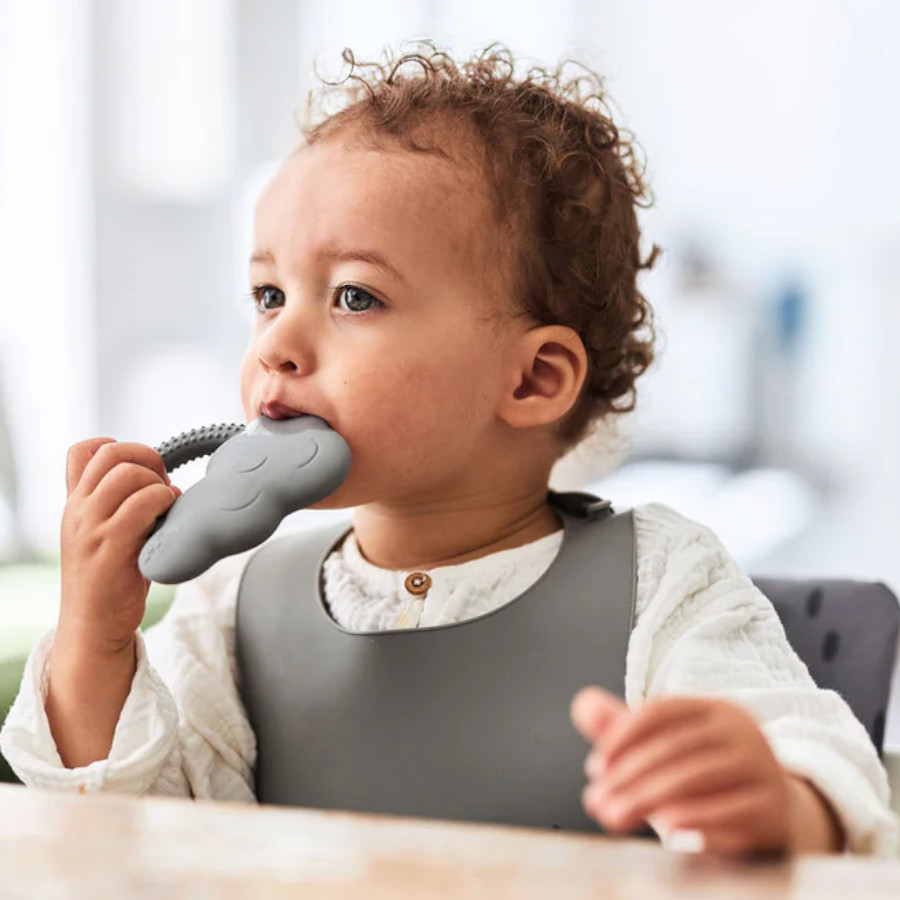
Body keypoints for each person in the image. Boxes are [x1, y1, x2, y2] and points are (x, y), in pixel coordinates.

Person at [1, 41, 896, 858]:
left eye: (354, 298)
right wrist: (97, 638)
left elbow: (819, 763)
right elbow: (129, 832)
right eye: (269, 295)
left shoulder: (661, 582)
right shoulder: (233, 606)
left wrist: (777, 800)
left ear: (534, 380)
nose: (277, 343)